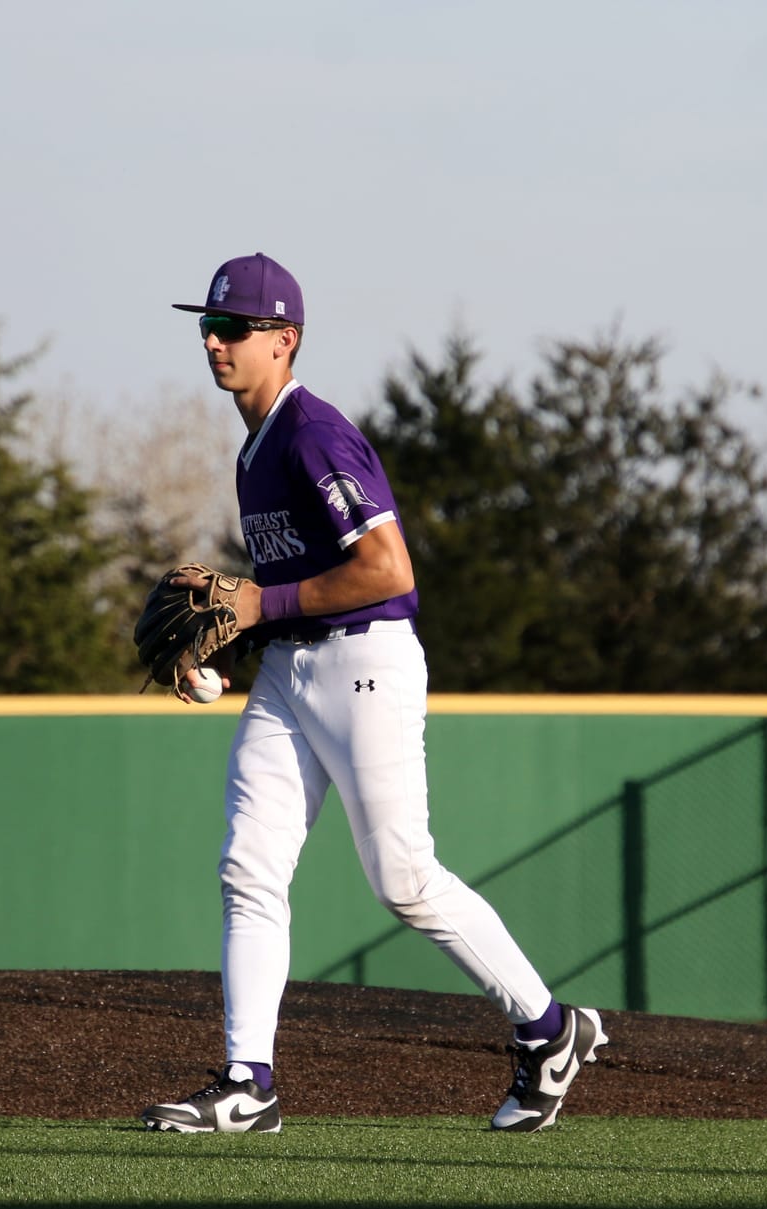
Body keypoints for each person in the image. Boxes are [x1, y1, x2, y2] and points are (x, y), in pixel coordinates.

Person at [141, 253, 607, 1134]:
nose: (213, 340)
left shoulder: (313, 432)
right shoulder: (254, 449)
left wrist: (261, 604)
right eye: (208, 325)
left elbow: (388, 570)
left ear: (284, 339)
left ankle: (549, 1030)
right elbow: (292, 586)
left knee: (404, 880)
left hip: (364, 666)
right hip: (291, 674)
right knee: (249, 867)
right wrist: (239, 638)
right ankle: (248, 1082)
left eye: (232, 327)